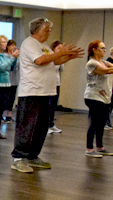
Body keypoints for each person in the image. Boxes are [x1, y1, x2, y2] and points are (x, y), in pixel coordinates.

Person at [11, 18, 83, 173]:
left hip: (46, 92)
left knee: (41, 127)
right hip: (31, 92)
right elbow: (40, 60)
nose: (49, 32)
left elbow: (54, 61)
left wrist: (68, 56)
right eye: (47, 29)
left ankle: (33, 156)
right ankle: (18, 158)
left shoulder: (44, 46)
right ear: (37, 30)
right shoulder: (29, 43)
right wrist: (60, 53)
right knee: (27, 125)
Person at [47, 40, 64, 134]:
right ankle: (47, 125)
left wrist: (62, 58)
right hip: (50, 83)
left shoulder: (58, 58)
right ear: (53, 49)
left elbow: (62, 69)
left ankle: (52, 124)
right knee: (49, 105)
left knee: (54, 105)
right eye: (58, 48)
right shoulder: (50, 57)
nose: (60, 50)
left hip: (57, 83)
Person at [3, 40, 18, 123]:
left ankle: (9, 115)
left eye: (14, 45)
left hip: (14, 80)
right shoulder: (4, 56)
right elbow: (9, 66)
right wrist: (13, 57)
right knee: (5, 98)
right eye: (12, 45)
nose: (14, 47)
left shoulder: (16, 56)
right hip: (6, 80)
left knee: (12, 98)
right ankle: (1, 115)